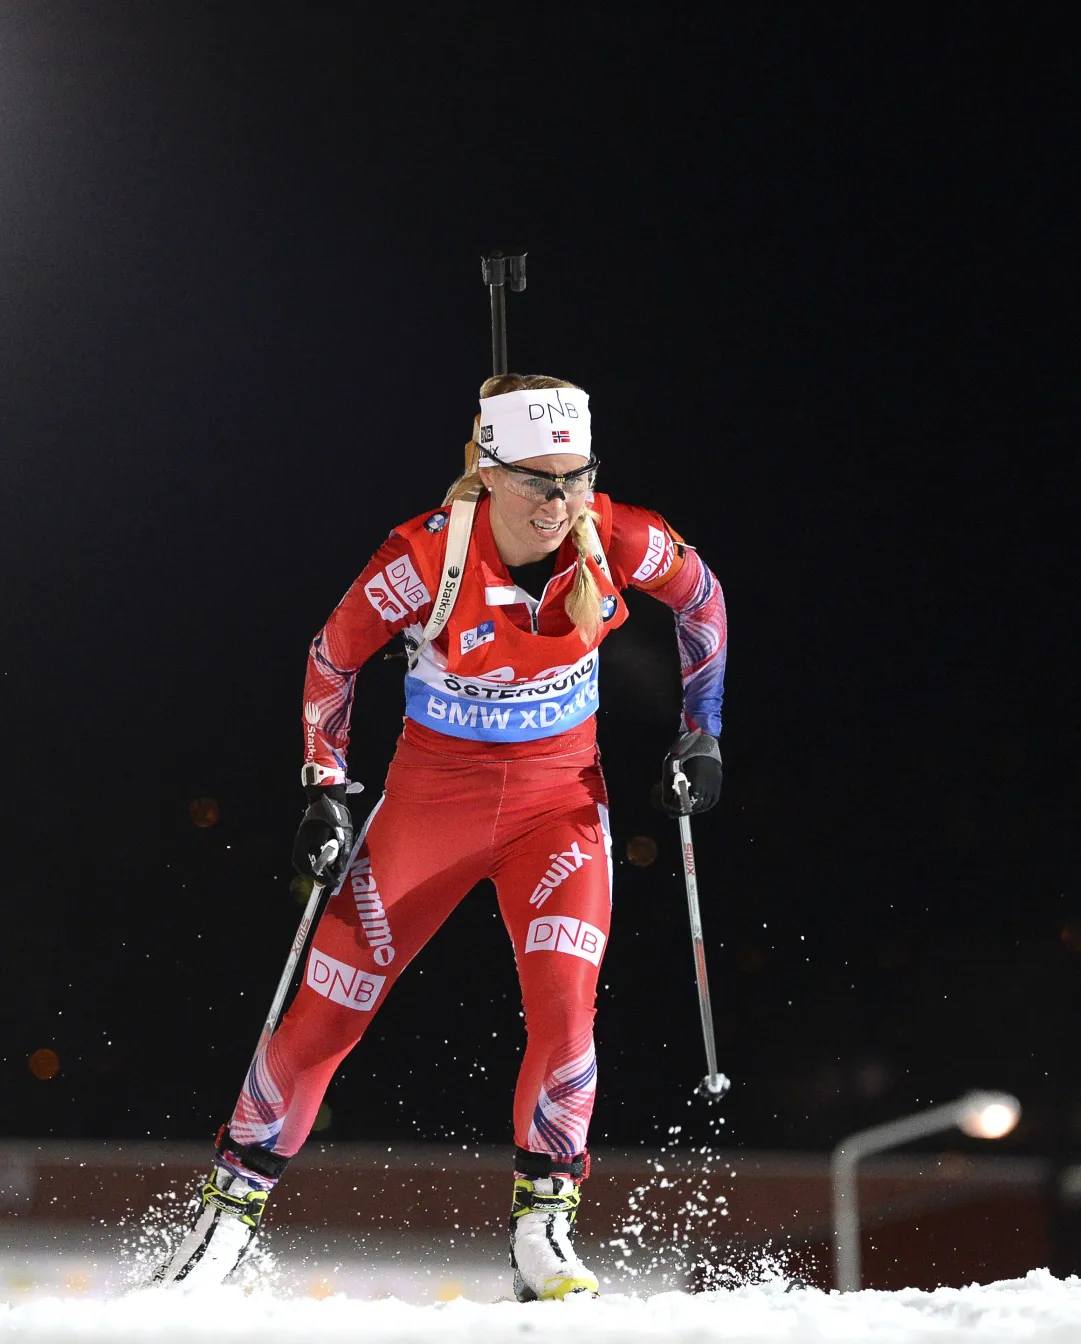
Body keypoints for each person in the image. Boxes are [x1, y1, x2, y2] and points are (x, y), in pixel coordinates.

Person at [156, 374, 726, 1300]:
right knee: (324, 1018)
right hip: (431, 808)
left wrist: (700, 732)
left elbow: (702, 603)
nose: (559, 502)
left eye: (575, 477)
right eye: (536, 480)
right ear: (485, 473)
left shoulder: (621, 536)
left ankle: (543, 1230)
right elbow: (331, 658)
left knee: (565, 1011)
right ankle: (227, 1219)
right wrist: (325, 791)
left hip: (558, 811)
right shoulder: (424, 558)